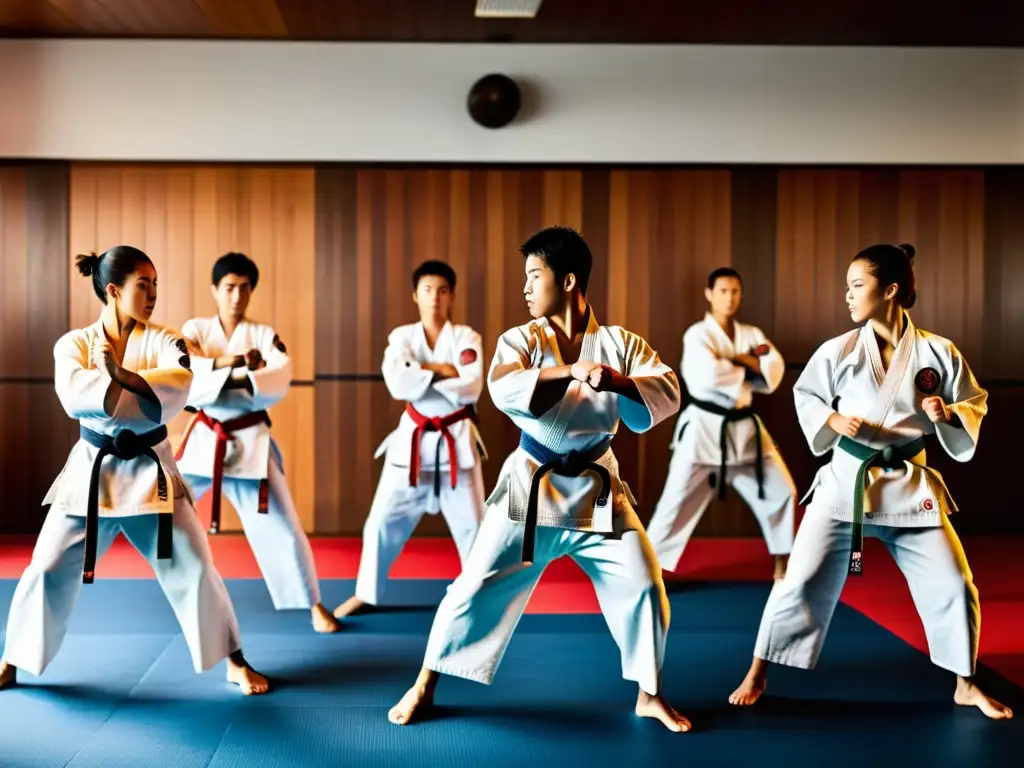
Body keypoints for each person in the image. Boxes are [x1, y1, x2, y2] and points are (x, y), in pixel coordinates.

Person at [388, 226, 691, 732]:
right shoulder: (521, 339)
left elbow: (666, 389)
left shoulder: (619, 342)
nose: (525, 288)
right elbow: (504, 388)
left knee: (644, 583)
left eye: (534, 276)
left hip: (599, 489)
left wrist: (614, 380)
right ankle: (424, 682)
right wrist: (570, 371)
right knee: (474, 585)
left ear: (568, 280)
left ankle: (649, 693)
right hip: (531, 486)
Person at [728, 243, 1012, 720]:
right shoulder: (838, 349)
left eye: (857, 286)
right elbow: (808, 395)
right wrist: (833, 421)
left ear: (891, 289)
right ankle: (757, 670)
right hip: (847, 484)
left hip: (910, 486)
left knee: (955, 583)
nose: (848, 296)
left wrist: (949, 412)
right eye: (848, 287)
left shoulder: (937, 352)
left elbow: (974, 401)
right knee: (797, 581)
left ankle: (966, 682)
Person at [0, 246, 269, 695]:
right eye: (143, 284)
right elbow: (74, 397)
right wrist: (117, 379)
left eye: (155, 284)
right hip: (92, 474)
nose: (153, 294)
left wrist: (121, 375)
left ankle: (234, 660)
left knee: (197, 566)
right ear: (113, 290)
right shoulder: (74, 344)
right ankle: (12, 658)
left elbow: (180, 385)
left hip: (153, 474)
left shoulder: (168, 340)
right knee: (46, 567)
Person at [175, 252, 339, 633]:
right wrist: (239, 365)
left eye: (244, 287)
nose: (236, 296)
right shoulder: (194, 329)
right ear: (214, 290)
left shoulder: (265, 336)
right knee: (161, 510)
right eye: (229, 287)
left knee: (284, 526)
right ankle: (178, 590)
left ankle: (313, 604)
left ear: (252, 290)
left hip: (249, 441)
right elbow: (186, 372)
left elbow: (278, 376)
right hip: (203, 439)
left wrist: (219, 372)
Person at [333, 261, 486, 620]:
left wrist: (422, 370)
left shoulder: (466, 337)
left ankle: (479, 596)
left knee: (475, 529)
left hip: (457, 444)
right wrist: (444, 370)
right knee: (380, 523)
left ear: (453, 296)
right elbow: (397, 384)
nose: (435, 298)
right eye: (428, 290)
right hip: (411, 446)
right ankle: (366, 593)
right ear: (415, 295)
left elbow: (471, 386)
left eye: (443, 291)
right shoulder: (401, 336)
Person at [646, 268, 795, 581]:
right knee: (674, 503)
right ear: (709, 294)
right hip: (703, 428)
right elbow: (706, 375)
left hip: (744, 430)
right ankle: (650, 572)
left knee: (782, 491)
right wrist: (748, 363)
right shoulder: (697, 334)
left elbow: (772, 364)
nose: (730, 297)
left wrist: (741, 360)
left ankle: (783, 565)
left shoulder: (752, 334)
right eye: (723, 291)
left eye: (735, 291)